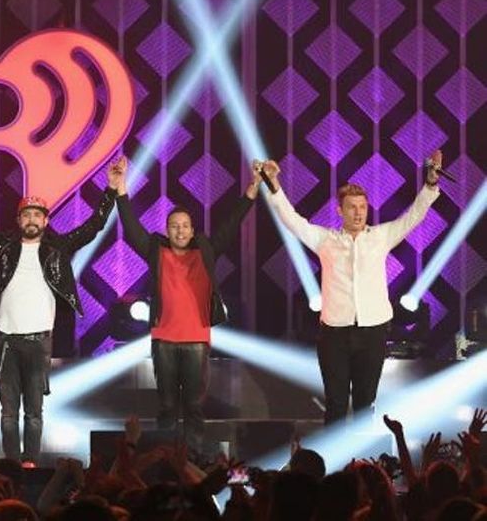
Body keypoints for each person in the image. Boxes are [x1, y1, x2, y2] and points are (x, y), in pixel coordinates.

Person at [0, 159, 121, 465]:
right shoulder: (4, 246)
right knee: (9, 413)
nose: (32, 219)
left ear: (46, 221)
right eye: (27, 214)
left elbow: (93, 226)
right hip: (6, 339)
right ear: (19, 220)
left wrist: (111, 191)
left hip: (39, 340)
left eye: (38, 214)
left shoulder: (58, 248)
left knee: (34, 412)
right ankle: (10, 463)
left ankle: (30, 462)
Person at [260, 150, 443, 423]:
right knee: (335, 402)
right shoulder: (326, 239)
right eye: (351, 207)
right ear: (340, 210)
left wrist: (430, 184)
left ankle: (363, 464)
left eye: (362, 207)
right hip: (335, 331)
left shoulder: (380, 236)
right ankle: (335, 465)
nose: (358, 213)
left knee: (364, 402)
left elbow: (413, 216)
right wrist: (273, 185)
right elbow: (293, 220)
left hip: (373, 329)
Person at [113, 155, 261, 457]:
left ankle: (192, 457)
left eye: (185, 226)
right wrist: (120, 189)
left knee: (193, 405)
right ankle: (164, 456)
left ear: (193, 231)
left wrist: (253, 188)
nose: (180, 231)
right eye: (174, 226)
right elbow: (131, 228)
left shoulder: (205, 250)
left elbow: (232, 224)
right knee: (167, 404)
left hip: (196, 339)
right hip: (164, 339)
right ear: (167, 231)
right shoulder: (156, 250)